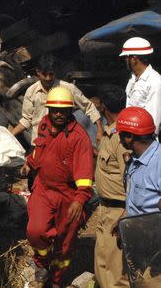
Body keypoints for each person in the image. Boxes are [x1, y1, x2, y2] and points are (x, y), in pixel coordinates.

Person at [21, 87, 94, 287]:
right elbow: (39, 149)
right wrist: (30, 163)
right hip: (43, 189)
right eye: (54, 110)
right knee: (35, 231)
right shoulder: (44, 125)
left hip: (68, 196)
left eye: (63, 110)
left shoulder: (79, 138)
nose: (59, 114)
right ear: (49, 110)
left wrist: (79, 200)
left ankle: (56, 280)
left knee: (64, 243)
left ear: (71, 111)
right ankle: (42, 263)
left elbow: (85, 175)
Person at [12, 54, 103, 144]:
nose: (48, 78)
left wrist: (99, 128)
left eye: (51, 74)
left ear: (55, 72)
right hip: (39, 142)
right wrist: (10, 135)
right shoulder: (31, 91)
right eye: (44, 74)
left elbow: (88, 106)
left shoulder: (67, 88)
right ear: (38, 72)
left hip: (64, 140)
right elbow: (26, 120)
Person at [93, 85, 129, 288]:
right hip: (106, 209)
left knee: (116, 272)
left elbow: (131, 177)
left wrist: (126, 214)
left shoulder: (122, 137)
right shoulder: (111, 133)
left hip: (118, 211)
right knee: (103, 264)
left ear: (104, 108)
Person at [115, 107, 161, 217]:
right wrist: (123, 220)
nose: (119, 139)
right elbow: (134, 202)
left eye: (120, 134)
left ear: (129, 137)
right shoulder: (135, 160)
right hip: (136, 230)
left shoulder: (158, 163)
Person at [120, 37, 161, 134]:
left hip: (143, 140)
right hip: (130, 134)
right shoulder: (133, 77)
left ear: (134, 59)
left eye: (126, 57)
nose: (125, 60)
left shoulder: (155, 82)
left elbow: (154, 120)